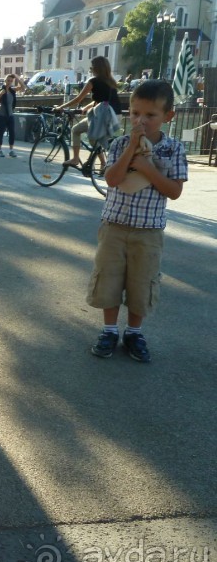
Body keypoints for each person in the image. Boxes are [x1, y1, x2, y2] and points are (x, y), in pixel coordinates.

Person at [87, 80, 185, 363]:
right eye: (135, 114)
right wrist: (131, 149)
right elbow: (112, 179)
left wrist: (146, 168)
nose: (141, 121)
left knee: (142, 282)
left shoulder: (173, 150)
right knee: (109, 278)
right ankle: (108, 330)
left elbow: (175, 191)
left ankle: (134, 331)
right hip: (114, 225)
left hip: (149, 230)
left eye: (150, 115)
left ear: (168, 116)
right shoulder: (119, 144)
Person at [55, 56, 122, 170]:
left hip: (104, 116)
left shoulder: (93, 81)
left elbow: (78, 99)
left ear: (96, 68)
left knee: (75, 130)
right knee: (93, 138)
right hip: (116, 116)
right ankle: (103, 164)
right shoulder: (111, 82)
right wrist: (85, 108)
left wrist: (61, 107)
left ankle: (75, 158)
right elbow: (102, 102)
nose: (90, 70)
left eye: (91, 67)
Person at [0, 74, 25, 158]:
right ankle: (0, 150)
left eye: (11, 81)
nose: (9, 82)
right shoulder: (1, 90)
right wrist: (0, 94)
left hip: (10, 114)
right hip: (1, 115)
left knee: (12, 133)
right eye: (8, 80)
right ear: (5, 81)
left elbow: (23, 87)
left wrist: (16, 77)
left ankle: (11, 150)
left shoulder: (12, 90)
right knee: (0, 133)